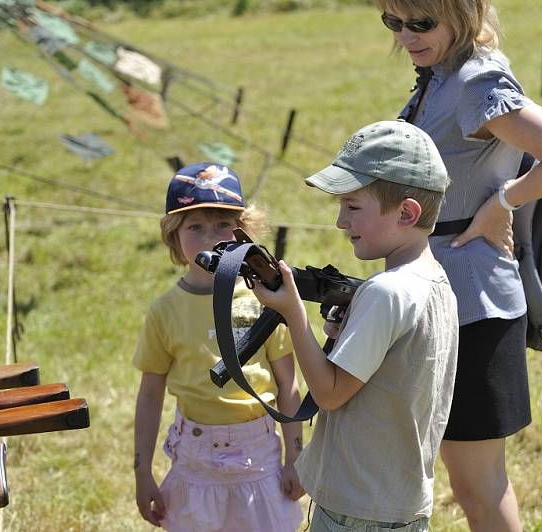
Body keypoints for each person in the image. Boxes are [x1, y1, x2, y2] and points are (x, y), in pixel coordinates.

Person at [373, 1, 542, 530]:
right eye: (393, 22)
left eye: (420, 23)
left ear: (462, 14)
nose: (405, 36)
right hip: (439, 296)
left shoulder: (475, 78)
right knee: (465, 479)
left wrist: (504, 202)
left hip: (472, 305)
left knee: (479, 484)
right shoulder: (441, 72)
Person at [251, 120, 459, 532]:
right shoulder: (437, 284)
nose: (340, 222)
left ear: (406, 212)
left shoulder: (385, 293)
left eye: (353, 207)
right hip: (397, 503)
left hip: (356, 512)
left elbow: (328, 393)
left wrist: (294, 315)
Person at [132, 162, 304, 532]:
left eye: (223, 225)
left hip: (260, 459)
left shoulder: (265, 299)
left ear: (244, 230)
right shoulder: (165, 310)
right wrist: (142, 470)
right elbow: (150, 394)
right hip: (195, 462)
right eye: (196, 227)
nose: (211, 237)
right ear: (173, 237)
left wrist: (295, 457)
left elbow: (288, 384)